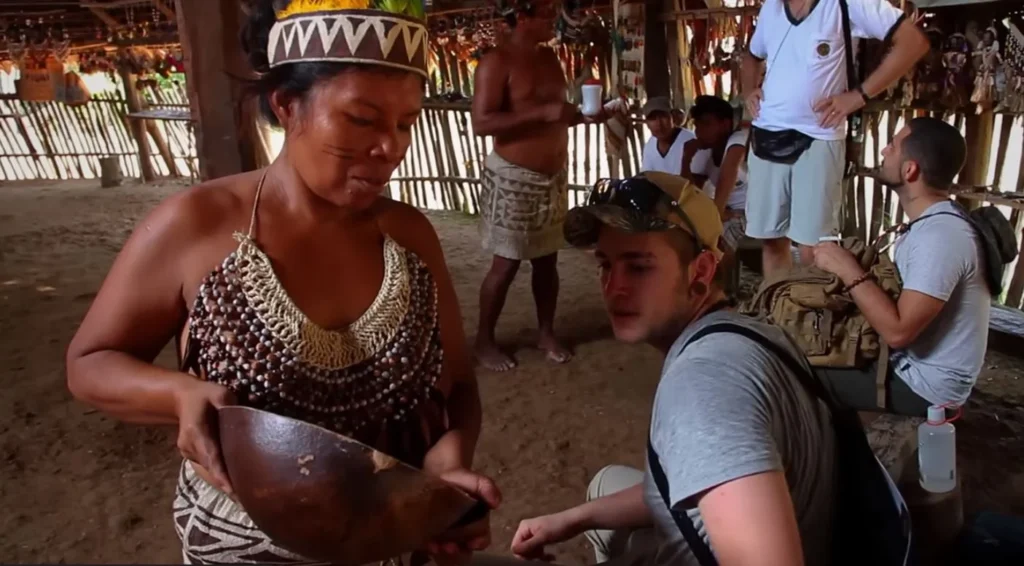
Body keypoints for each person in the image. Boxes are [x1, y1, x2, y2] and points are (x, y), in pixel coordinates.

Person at [65, 0, 499, 563]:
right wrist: (178, 393)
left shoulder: (409, 236)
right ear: (289, 106)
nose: (391, 147)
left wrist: (448, 456)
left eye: (405, 122)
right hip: (245, 541)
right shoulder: (196, 226)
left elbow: (458, 386)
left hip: (394, 529)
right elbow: (90, 362)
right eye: (363, 119)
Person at [511, 172, 837, 565]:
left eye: (639, 267)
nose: (613, 288)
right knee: (603, 487)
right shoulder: (751, 328)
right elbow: (699, 470)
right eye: (605, 265)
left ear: (700, 271)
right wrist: (571, 520)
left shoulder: (701, 387)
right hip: (820, 531)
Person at [812, 117, 990, 414]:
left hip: (924, 387)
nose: (883, 151)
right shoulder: (934, 224)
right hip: (910, 366)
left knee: (790, 369)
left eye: (892, 147)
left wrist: (846, 268)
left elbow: (898, 332)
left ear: (910, 170)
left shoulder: (941, 237)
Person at [740, 0, 929, 277]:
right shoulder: (772, 7)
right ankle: (778, 308)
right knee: (771, 239)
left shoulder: (845, 3)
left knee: (815, 247)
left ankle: (812, 315)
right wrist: (748, 90)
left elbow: (913, 42)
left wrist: (859, 95)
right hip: (767, 133)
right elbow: (751, 55)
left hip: (819, 135)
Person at [472, 0, 600, 371]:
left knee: (548, 260)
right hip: (514, 178)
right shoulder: (496, 62)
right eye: (547, 15)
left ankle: (546, 332)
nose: (555, 21)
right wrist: (544, 113)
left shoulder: (548, 59)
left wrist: (582, 116)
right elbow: (482, 123)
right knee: (507, 263)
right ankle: (483, 340)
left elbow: (554, 113)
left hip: (551, 179)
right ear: (522, 17)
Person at [683, 95, 750, 255]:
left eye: (706, 124)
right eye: (697, 125)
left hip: (750, 212)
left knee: (718, 239)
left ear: (725, 124)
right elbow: (689, 193)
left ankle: (726, 278)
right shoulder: (705, 150)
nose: (699, 131)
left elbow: (729, 171)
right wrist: (686, 159)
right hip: (726, 211)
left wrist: (715, 213)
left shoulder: (738, 141)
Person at [639, 96, 699, 175]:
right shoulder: (649, 146)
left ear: (673, 118)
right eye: (652, 118)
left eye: (663, 116)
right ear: (647, 123)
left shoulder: (690, 141)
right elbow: (647, 176)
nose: (659, 123)